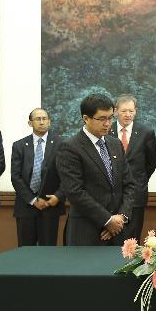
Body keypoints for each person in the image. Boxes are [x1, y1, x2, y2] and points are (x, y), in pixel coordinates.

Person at [56, 94, 136, 246]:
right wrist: (107, 220)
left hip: (118, 231)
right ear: (86, 118)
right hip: (86, 232)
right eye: (102, 119)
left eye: (111, 118)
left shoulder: (115, 144)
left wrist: (120, 217)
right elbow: (75, 192)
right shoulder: (70, 147)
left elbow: (129, 184)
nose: (108, 124)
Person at [10, 108, 65, 246]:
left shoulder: (61, 144)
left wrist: (58, 196)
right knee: (25, 251)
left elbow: (67, 175)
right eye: (38, 119)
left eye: (44, 119)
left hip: (50, 205)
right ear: (30, 123)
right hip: (26, 205)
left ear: (49, 122)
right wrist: (33, 200)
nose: (42, 122)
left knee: (47, 252)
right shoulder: (19, 145)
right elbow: (15, 176)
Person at [110, 94, 156, 242]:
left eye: (131, 111)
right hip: (111, 194)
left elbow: (151, 163)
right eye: (124, 111)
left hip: (137, 194)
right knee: (111, 237)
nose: (128, 114)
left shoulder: (146, 132)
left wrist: (138, 180)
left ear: (135, 111)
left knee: (133, 238)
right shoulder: (106, 130)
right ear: (116, 111)